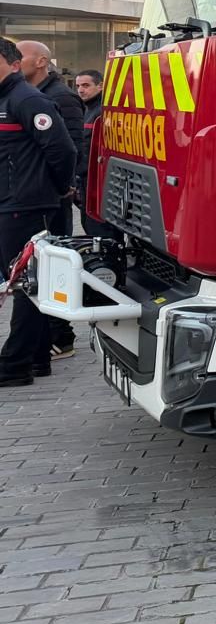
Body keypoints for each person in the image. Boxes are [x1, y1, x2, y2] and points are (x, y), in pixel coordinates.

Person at [0, 38, 78, 387]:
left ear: (13, 64)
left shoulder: (27, 100)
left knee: (24, 285)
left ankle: (15, 364)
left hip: (25, 206)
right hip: (11, 203)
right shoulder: (7, 99)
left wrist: (59, 189)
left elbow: (63, 150)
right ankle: (37, 359)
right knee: (27, 283)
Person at [16, 42, 84, 358]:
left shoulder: (60, 97)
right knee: (36, 268)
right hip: (36, 193)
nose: (15, 62)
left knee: (52, 264)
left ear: (42, 61)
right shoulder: (28, 94)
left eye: (21, 57)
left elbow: (70, 148)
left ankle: (62, 335)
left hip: (52, 196)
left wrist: (64, 186)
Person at [72, 69, 113, 241]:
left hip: (99, 185)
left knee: (100, 234)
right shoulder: (86, 110)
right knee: (89, 227)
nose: (81, 90)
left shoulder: (103, 111)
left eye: (86, 85)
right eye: (78, 86)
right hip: (86, 183)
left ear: (100, 86)